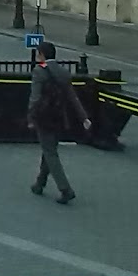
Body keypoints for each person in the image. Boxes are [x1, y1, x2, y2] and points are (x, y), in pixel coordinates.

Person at [28, 40, 91, 204]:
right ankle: (39, 183)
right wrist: (84, 117)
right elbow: (72, 97)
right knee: (49, 149)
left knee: (50, 152)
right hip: (59, 117)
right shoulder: (63, 72)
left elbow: (35, 98)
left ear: (42, 55)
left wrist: (31, 117)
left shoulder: (39, 72)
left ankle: (65, 189)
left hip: (44, 117)